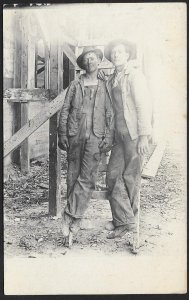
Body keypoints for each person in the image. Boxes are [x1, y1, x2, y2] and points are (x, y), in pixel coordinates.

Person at [58, 46, 114, 247]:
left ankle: (70, 215)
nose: (90, 62)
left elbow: (110, 113)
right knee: (73, 175)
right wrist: (62, 133)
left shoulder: (104, 85)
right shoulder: (75, 84)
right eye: (87, 59)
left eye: (94, 58)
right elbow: (65, 109)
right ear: (83, 64)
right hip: (75, 134)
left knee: (88, 177)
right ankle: (75, 220)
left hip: (96, 136)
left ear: (99, 62)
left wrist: (108, 135)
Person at [103, 39, 153, 253]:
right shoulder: (111, 78)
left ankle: (129, 226)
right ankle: (124, 221)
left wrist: (144, 136)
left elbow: (143, 105)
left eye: (121, 52)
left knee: (131, 178)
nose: (117, 55)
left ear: (127, 55)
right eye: (114, 52)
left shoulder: (134, 76)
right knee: (113, 176)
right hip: (119, 137)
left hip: (133, 136)